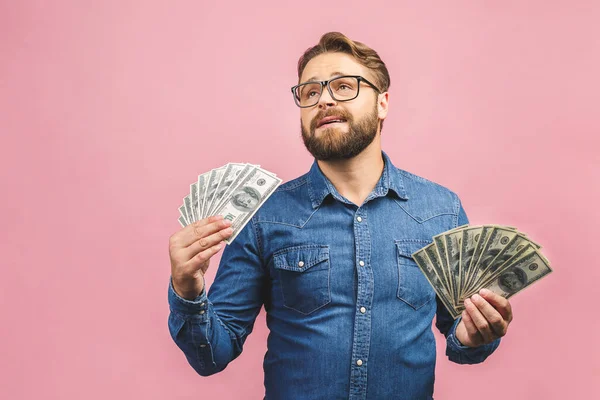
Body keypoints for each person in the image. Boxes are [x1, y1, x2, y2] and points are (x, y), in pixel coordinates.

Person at [167, 32, 514, 400]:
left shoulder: (441, 210)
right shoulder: (264, 216)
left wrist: (475, 335)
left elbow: (461, 338)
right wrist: (187, 291)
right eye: (310, 92)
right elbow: (212, 355)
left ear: (382, 103)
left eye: (344, 86)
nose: (325, 99)